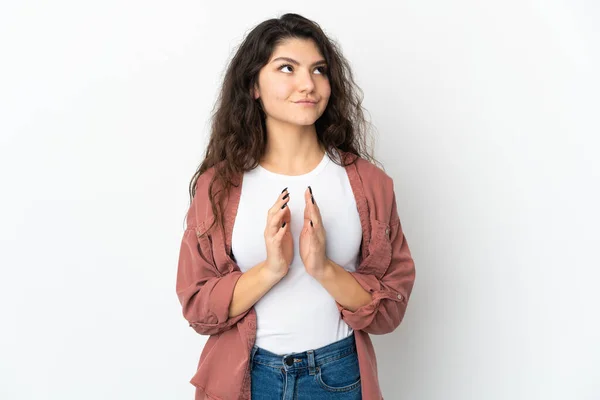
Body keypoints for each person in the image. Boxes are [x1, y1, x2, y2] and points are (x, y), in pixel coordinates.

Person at [176, 13, 416, 400]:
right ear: (253, 84)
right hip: (248, 377)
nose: (308, 84)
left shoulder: (370, 184)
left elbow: (390, 309)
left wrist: (322, 268)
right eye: (287, 68)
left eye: (319, 70)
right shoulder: (217, 187)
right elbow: (198, 308)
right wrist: (272, 269)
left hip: (338, 376)